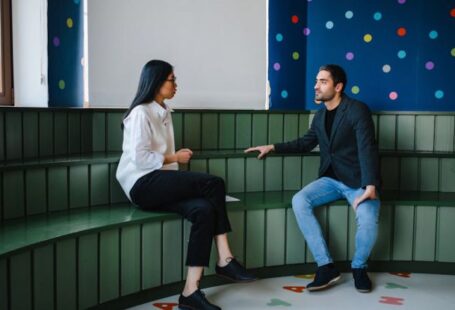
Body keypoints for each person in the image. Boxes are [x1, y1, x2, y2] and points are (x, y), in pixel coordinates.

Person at [116, 60, 256, 310]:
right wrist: (175, 157)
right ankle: (225, 258)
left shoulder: (164, 111)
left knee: (203, 210)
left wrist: (172, 162)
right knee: (214, 183)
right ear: (157, 82)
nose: (176, 84)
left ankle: (190, 292)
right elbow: (139, 157)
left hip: (159, 183)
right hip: (142, 184)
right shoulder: (140, 113)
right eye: (172, 79)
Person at [245, 64, 380, 293]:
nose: (316, 86)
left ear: (338, 87)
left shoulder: (357, 110)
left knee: (368, 220)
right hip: (330, 180)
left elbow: (367, 147)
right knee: (300, 200)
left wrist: (370, 185)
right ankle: (326, 266)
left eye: (323, 81)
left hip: (358, 181)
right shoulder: (319, 116)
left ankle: (359, 267)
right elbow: (305, 143)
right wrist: (272, 147)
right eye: (316, 81)